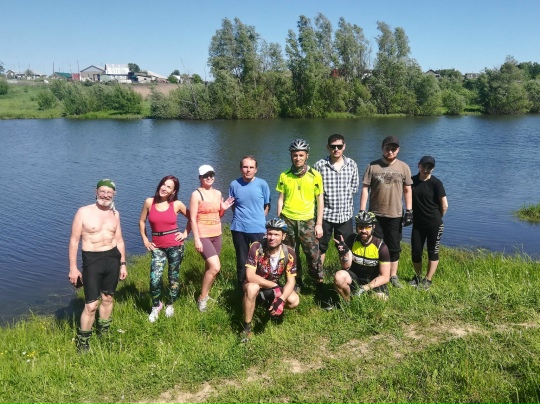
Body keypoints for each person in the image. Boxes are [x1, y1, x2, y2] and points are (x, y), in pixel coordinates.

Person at [68, 179, 127, 352]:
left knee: (108, 298)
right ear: (96, 192)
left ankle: (104, 333)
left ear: (114, 194)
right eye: (102, 191)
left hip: (112, 259)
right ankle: (83, 342)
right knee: (91, 305)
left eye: (109, 192)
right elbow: (74, 241)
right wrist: (73, 268)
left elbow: (119, 240)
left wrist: (123, 264)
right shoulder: (83, 212)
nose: (105, 195)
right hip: (92, 260)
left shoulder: (115, 214)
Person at [359, 136, 412, 288]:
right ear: (382, 148)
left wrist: (409, 210)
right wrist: (362, 210)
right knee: (375, 245)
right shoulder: (372, 166)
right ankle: (377, 272)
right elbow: (365, 189)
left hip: (395, 214)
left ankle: (393, 276)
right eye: (387, 148)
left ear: (398, 150)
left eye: (393, 149)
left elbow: (407, 190)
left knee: (394, 246)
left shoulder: (404, 167)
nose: (390, 151)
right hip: (375, 214)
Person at [276, 139, 324, 298]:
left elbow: (320, 200)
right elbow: (281, 199)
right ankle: (296, 281)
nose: (298, 158)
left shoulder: (315, 175)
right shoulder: (284, 175)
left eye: (301, 155)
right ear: (291, 156)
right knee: (291, 254)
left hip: (307, 220)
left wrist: (319, 223)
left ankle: (318, 283)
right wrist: (279, 221)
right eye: (295, 155)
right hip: (288, 219)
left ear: (307, 156)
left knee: (313, 254)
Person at [139, 175, 191, 322]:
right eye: (163, 184)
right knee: (154, 279)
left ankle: (170, 304)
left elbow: (192, 218)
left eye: (169, 187)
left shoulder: (176, 204)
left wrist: (185, 233)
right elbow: (141, 221)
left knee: (173, 278)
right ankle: (156, 305)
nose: (164, 188)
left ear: (173, 191)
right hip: (157, 247)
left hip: (175, 246)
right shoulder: (149, 202)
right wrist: (145, 240)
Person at [241, 218, 299, 341]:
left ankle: (271, 308)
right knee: (252, 288)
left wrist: (281, 300)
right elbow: (250, 276)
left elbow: (291, 281)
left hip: (273, 287)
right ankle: (247, 327)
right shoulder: (257, 247)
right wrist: (274, 286)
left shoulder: (289, 253)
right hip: (255, 284)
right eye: (270, 234)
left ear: (283, 236)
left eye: (276, 235)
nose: (272, 238)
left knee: (294, 300)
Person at [190, 165, 234, 312]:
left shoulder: (218, 193)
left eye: (211, 175)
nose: (209, 178)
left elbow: (218, 215)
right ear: (200, 178)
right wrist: (196, 239)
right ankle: (202, 298)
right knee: (215, 267)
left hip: (217, 234)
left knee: (209, 267)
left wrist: (224, 208)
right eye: (205, 176)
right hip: (203, 235)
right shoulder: (196, 194)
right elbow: (192, 219)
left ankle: (206, 294)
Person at [313, 134, 359, 267]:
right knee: (320, 247)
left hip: (345, 216)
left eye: (339, 146)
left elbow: (354, 187)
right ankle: (319, 275)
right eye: (333, 147)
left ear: (344, 147)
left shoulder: (351, 164)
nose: (336, 149)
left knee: (345, 247)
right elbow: (314, 191)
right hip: (325, 216)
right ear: (328, 147)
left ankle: (345, 275)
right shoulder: (319, 166)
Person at [229, 156, 271, 286]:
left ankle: (262, 286)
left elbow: (267, 205)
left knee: (261, 258)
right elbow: (232, 205)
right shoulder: (234, 184)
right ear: (240, 169)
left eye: (251, 167)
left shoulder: (262, 184)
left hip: (258, 228)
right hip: (239, 228)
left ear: (256, 169)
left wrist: (259, 219)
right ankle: (243, 286)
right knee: (242, 259)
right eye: (245, 167)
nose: (248, 170)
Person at [409, 156, 448, 290]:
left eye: (429, 167)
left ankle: (428, 279)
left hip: (434, 223)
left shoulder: (436, 183)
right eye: (423, 166)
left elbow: (445, 205)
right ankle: (418, 277)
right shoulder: (412, 181)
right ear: (418, 165)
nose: (426, 169)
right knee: (416, 252)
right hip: (417, 224)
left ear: (433, 169)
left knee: (433, 252)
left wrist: (437, 219)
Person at [333, 211, 391, 301]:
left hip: (373, 281)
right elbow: (346, 267)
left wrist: (365, 288)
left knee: (381, 299)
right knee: (339, 277)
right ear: (356, 227)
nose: (364, 230)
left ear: (373, 227)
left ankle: (365, 298)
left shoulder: (381, 247)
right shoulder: (351, 240)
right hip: (355, 278)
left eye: (367, 227)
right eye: (360, 227)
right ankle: (349, 302)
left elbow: (385, 277)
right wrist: (344, 254)